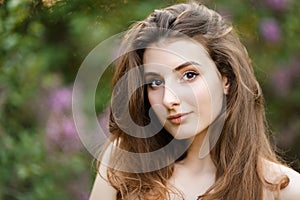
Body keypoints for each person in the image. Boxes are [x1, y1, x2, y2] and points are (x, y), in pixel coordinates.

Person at [89, 2, 300, 199]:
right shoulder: (125, 164)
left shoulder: (282, 189)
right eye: (154, 82)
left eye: (189, 75)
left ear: (225, 77)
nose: (169, 99)